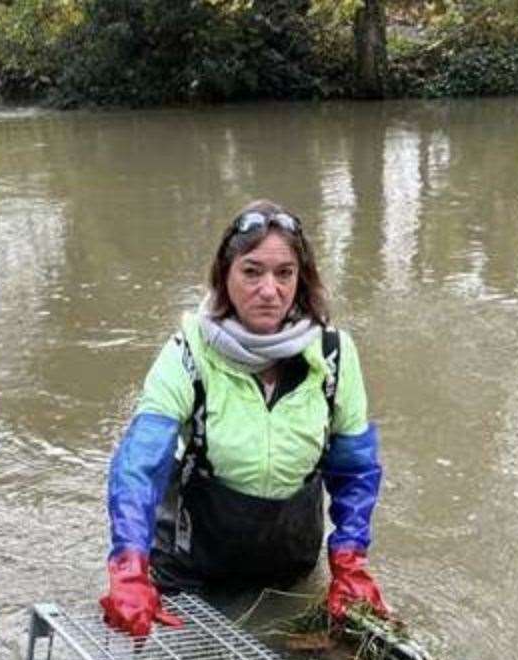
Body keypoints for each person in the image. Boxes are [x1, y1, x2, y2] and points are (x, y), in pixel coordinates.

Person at [99, 199, 388, 637]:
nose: (269, 289)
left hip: (288, 570)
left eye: (284, 273)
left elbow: (356, 470)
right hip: (192, 575)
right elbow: (139, 465)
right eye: (252, 271)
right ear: (225, 276)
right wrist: (128, 568)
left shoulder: (334, 354)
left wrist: (349, 563)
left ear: (301, 279)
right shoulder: (187, 353)